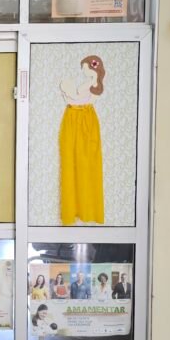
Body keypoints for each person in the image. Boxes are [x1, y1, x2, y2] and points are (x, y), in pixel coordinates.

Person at [59, 56, 106, 225]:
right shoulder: (90, 84)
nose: (84, 72)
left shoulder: (91, 84)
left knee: (86, 164)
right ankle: (74, 209)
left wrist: (67, 90)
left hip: (84, 119)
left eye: (85, 69)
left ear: (93, 69)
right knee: (70, 163)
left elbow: (78, 97)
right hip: (74, 116)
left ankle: (86, 209)